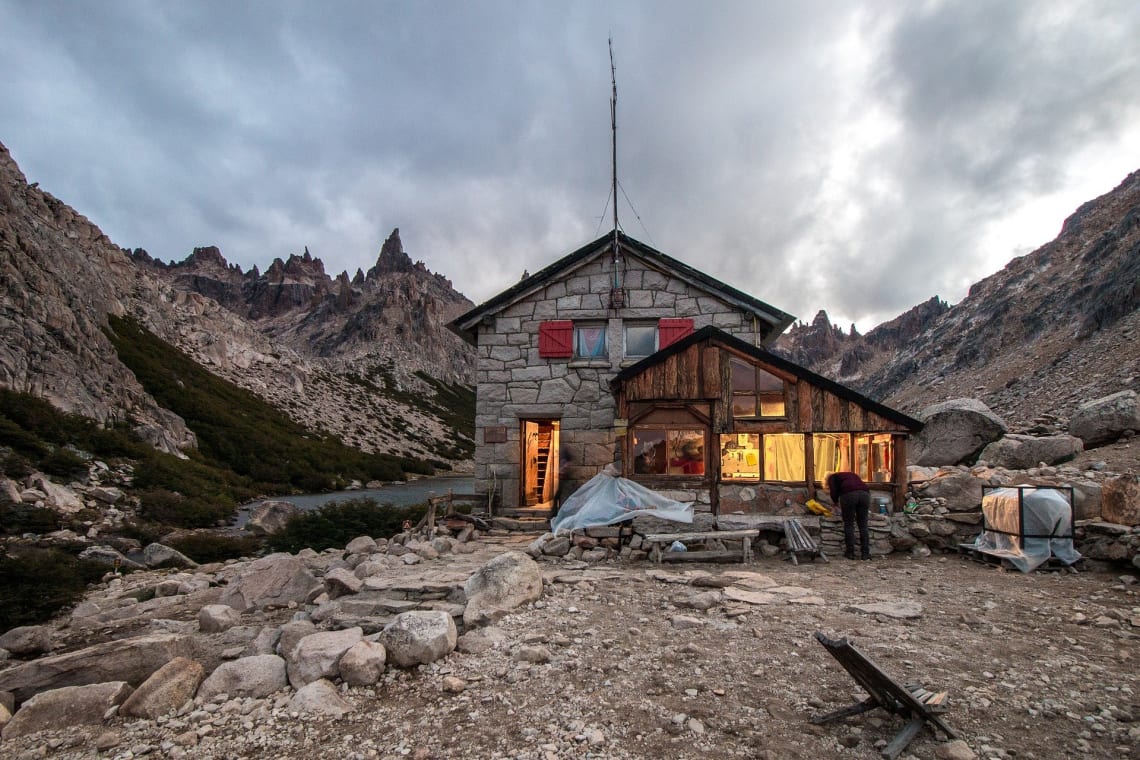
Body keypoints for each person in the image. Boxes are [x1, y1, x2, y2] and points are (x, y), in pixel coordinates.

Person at [826, 471, 871, 560]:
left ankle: (850, 553)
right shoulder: (852, 474)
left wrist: (835, 502)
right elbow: (861, 485)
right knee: (863, 524)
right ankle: (865, 553)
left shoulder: (832, 477)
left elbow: (833, 491)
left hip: (849, 495)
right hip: (865, 495)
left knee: (849, 524)